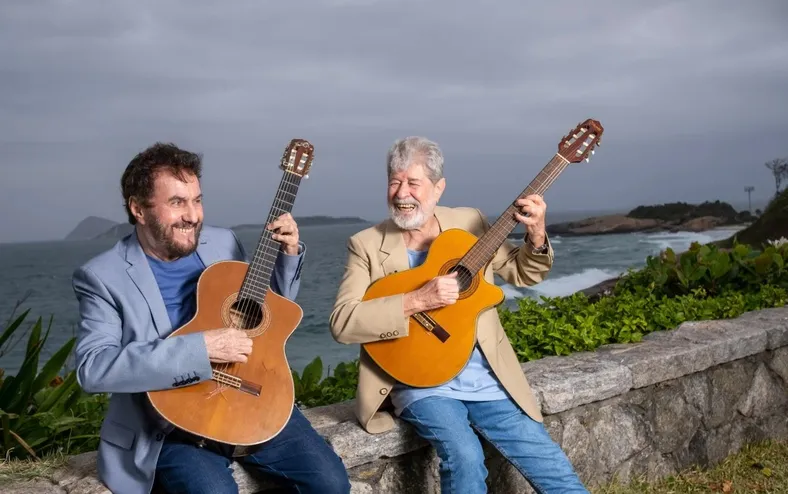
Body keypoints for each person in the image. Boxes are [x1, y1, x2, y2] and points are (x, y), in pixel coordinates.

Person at [72, 142, 351, 494]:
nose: (193, 215)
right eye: (177, 202)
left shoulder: (222, 243)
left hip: (251, 396)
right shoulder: (102, 276)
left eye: (197, 200)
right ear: (138, 209)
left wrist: (288, 254)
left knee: (331, 483)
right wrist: (201, 349)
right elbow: (94, 368)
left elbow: (260, 309)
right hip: (171, 425)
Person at [329, 137, 588, 493]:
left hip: (485, 378)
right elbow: (343, 322)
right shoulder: (367, 244)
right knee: (465, 456)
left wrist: (537, 235)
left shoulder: (469, 222)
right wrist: (417, 299)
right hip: (420, 381)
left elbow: (523, 273)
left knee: (551, 465)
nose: (402, 193)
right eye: (394, 182)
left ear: (438, 188)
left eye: (413, 183)